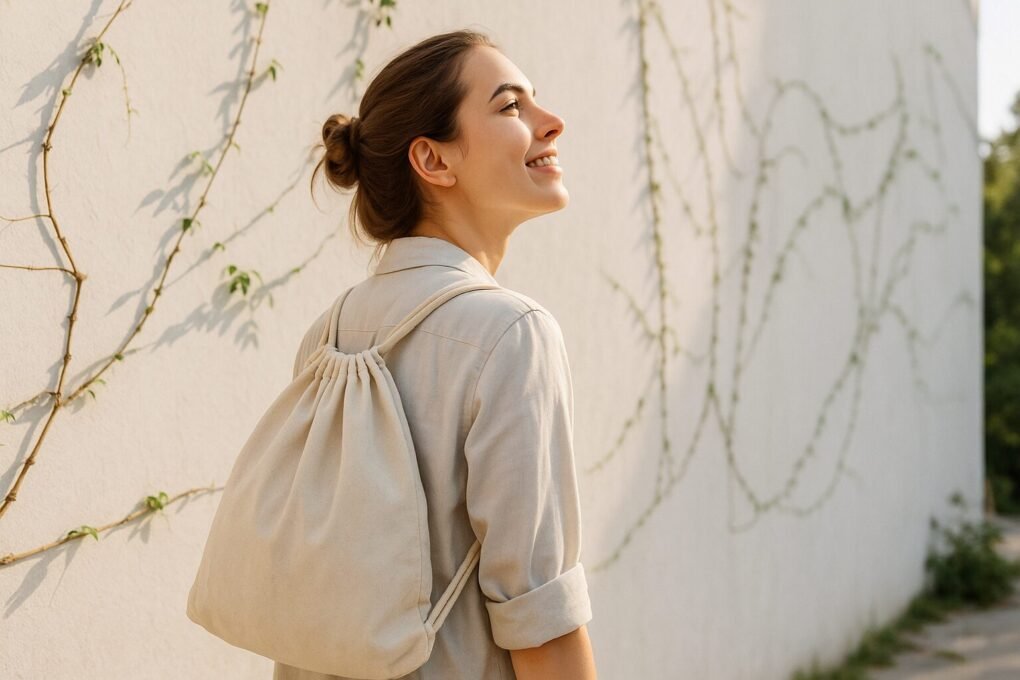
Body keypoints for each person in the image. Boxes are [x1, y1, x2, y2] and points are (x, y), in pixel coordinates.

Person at [274, 29, 597, 680]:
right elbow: (539, 623)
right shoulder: (512, 334)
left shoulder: (327, 335)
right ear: (434, 161)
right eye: (511, 107)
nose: (552, 122)